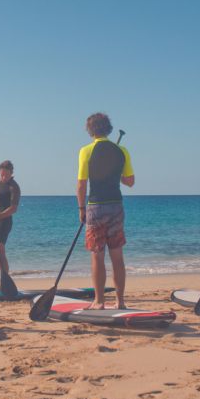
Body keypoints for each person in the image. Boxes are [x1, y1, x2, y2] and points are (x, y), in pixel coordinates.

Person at [76, 113, 134, 309]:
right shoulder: (121, 150)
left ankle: (99, 301)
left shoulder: (86, 151)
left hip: (96, 206)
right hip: (116, 205)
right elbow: (130, 182)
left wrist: (81, 208)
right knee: (117, 255)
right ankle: (120, 302)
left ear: (90, 130)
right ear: (108, 128)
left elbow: (81, 184)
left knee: (97, 255)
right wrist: (115, 175)